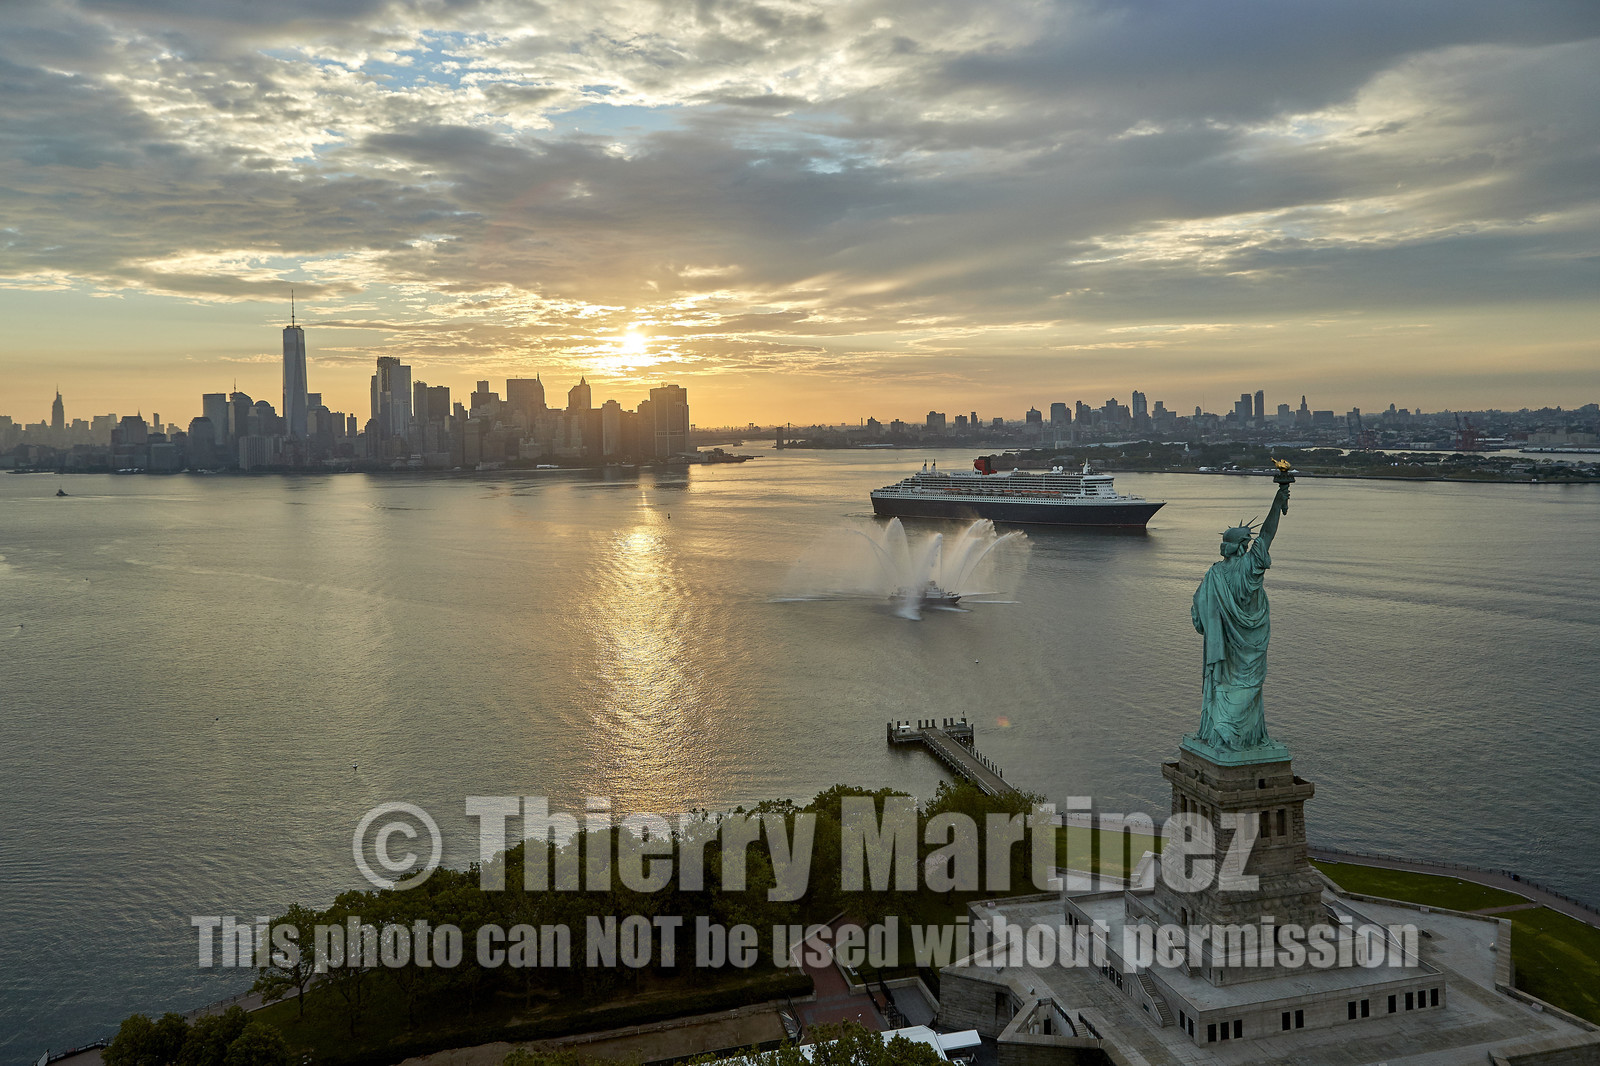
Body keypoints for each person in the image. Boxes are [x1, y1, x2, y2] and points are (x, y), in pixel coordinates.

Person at [1191, 480, 1291, 750]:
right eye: (1247, 542)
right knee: (1248, 684)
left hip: (1224, 645)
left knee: (1225, 683)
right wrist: (1277, 502)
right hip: (1252, 640)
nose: (1249, 545)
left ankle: (1219, 731)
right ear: (1241, 546)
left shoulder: (1213, 574)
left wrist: (1213, 625)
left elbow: (1198, 614)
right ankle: (1235, 734)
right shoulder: (1249, 568)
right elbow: (1267, 534)